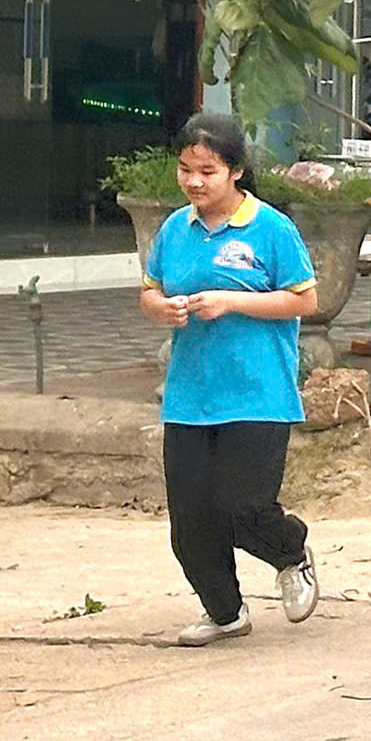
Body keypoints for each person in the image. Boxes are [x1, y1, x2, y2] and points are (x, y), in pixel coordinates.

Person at [140, 114, 322, 648]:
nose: (194, 182)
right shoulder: (176, 229)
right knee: (190, 521)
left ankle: (291, 555)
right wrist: (161, 309)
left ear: (236, 171)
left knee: (244, 507)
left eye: (208, 171)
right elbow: (148, 291)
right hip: (191, 395)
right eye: (186, 170)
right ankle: (224, 612)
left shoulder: (271, 229)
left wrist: (231, 301)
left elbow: (305, 299)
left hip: (257, 391)